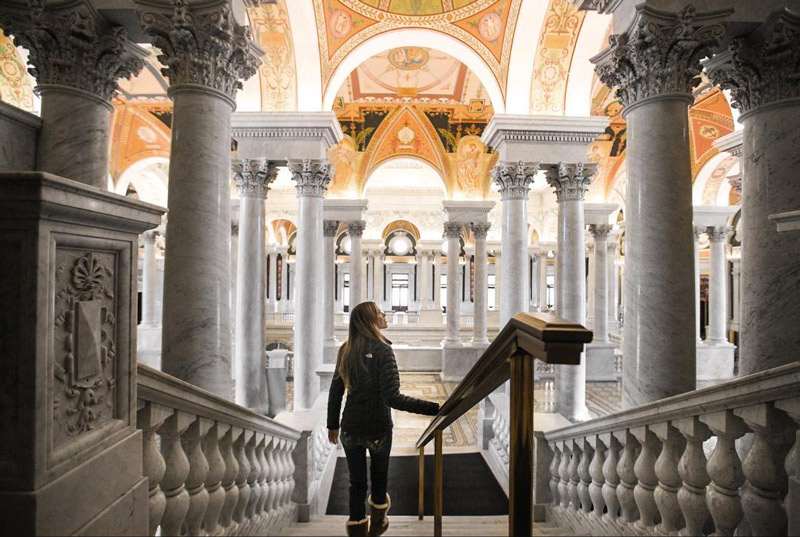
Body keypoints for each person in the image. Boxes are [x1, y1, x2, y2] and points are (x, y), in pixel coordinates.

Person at [327, 301, 440, 537]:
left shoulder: (345, 349)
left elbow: (335, 391)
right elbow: (393, 398)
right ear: (371, 320)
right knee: (379, 480)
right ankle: (377, 527)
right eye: (379, 312)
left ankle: (357, 529)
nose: (384, 314)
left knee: (356, 484)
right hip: (378, 428)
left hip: (350, 429)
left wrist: (332, 425)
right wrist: (435, 408)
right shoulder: (383, 351)